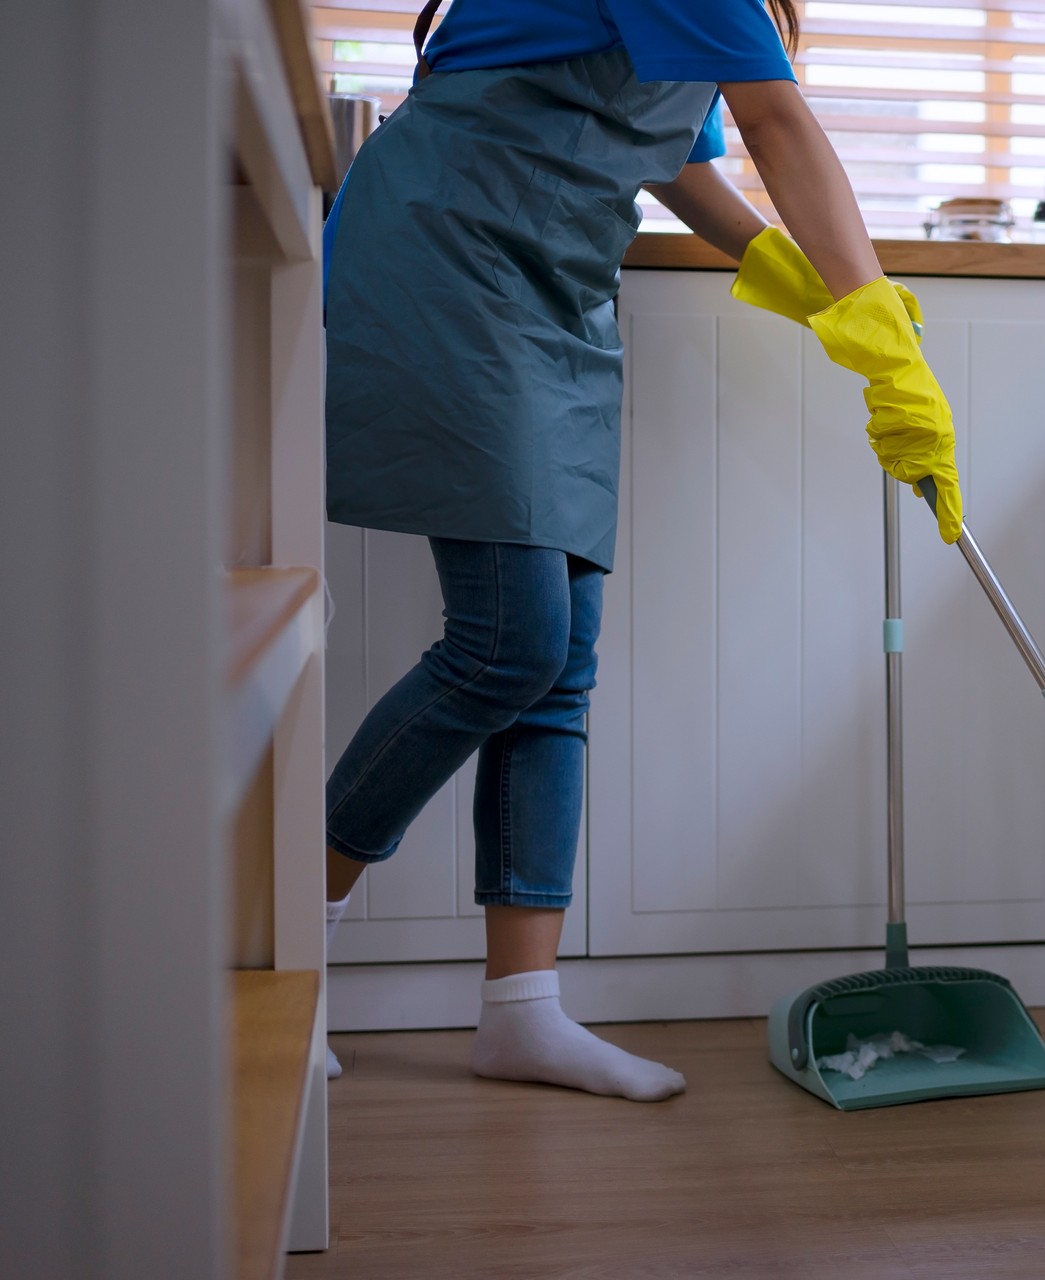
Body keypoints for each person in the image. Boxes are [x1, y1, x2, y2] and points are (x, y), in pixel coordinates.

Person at [319, 0, 963, 1100]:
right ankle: (275, 930)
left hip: (551, 289)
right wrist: (873, 324)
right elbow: (779, 123)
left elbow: (677, 160)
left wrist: (786, 265)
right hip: (450, 255)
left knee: (557, 655)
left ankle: (522, 1011)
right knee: (505, 644)